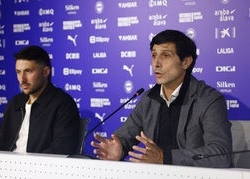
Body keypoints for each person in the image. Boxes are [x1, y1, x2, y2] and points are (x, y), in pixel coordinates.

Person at [91, 29, 232, 168]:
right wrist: (118, 149)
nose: (156, 63)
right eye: (153, 55)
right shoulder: (149, 98)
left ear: (186, 62)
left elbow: (221, 154)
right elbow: (125, 136)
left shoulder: (208, 99)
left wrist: (165, 158)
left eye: (165, 56)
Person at [0, 45, 81, 155]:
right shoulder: (16, 102)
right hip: (7, 168)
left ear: (45, 72)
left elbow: (62, 149)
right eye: (18, 72)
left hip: (39, 170)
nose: (22, 79)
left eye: (28, 71)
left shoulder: (63, 104)